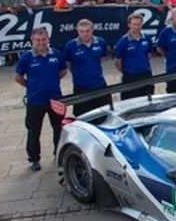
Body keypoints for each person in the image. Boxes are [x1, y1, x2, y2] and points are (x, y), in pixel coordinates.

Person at [15, 27, 67, 171]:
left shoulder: (56, 54)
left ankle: (59, 154)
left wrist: (51, 83)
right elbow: (18, 77)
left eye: (43, 39)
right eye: (37, 40)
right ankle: (34, 159)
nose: (41, 42)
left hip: (55, 99)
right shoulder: (27, 57)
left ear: (48, 39)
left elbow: (63, 71)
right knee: (33, 131)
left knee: (59, 128)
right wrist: (31, 86)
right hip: (35, 101)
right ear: (32, 40)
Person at [63, 19, 111, 115]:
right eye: (81, 31)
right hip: (81, 87)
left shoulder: (101, 42)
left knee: (105, 113)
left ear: (92, 30)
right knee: (83, 116)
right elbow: (67, 63)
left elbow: (104, 57)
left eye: (87, 31)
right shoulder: (70, 46)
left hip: (99, 85)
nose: (85, 34)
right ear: (77, 31)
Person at [114, 13, 154, 99]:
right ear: (129, 25)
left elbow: (149, 54)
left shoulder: (147, 38)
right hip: (130, 78)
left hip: (146, 76)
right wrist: (127, 72)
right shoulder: (123, 41)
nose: (137, 27)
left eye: (139, 24)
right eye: (134, 24)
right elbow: (117, 62)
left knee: (148, 101)